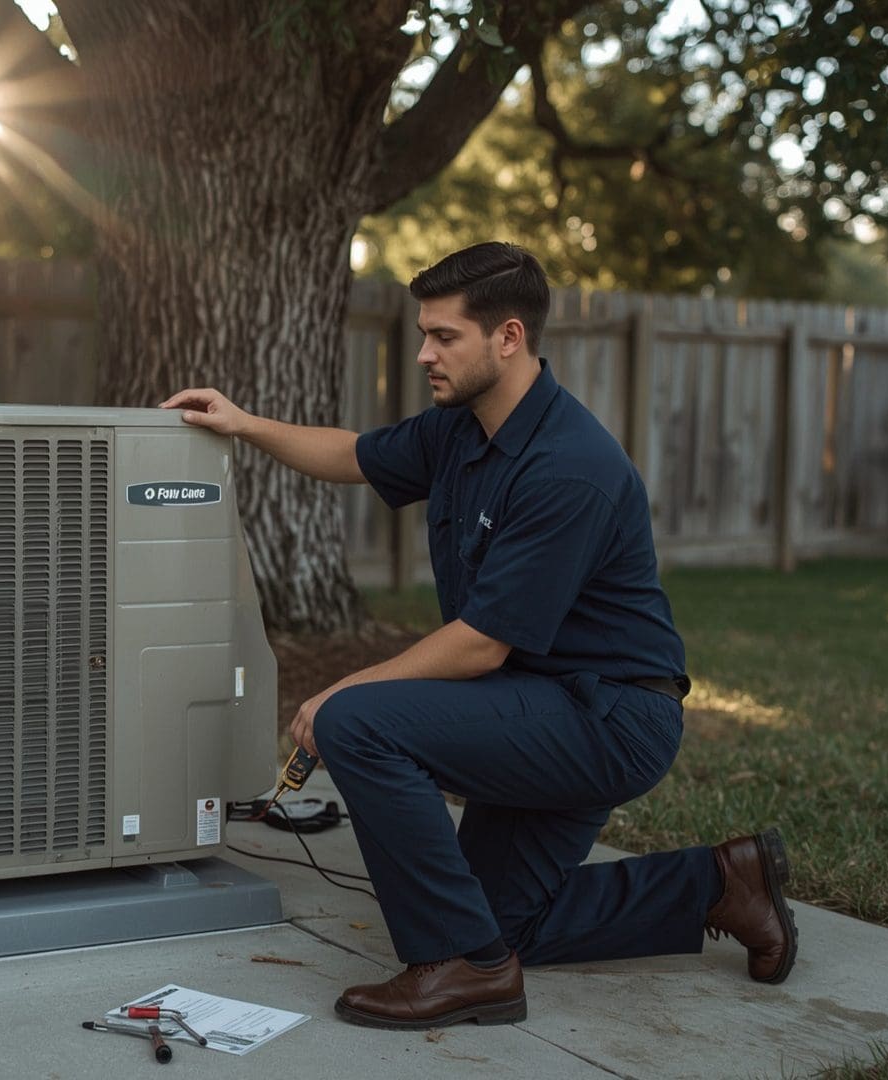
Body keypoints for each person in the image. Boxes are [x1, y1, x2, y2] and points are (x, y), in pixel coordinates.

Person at [159, 242, 797, 1031]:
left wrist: (340, 692)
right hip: (537, 700)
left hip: (608, 718)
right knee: (501, 923)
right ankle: (723, 886)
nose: (425, 352)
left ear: (508, 337)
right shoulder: (460, 428)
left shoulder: (568, 466)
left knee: (359, 723)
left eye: (444, 336)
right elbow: (354, 454)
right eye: (425, 332)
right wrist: (243, 423)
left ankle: (458, 971)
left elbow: (480, 645)